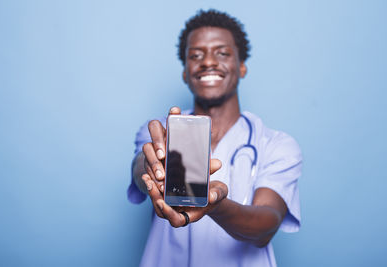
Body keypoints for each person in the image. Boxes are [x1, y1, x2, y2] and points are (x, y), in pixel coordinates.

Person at [127, 9, 302, 267]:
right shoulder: (160, 133)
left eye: (222, 53)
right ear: (186, 72)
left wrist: (213, 206)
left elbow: (265, 226)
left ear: (241, 67)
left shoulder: (277, 146)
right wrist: (153, 166)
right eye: (195, 55)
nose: (208, 62)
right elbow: (140, 168)